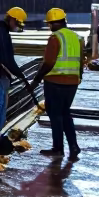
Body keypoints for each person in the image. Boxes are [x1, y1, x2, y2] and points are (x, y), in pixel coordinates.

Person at [30, 8, 85, 160]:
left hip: (55, 82)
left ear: (55, 23)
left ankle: (58, 148)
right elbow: (81, 61)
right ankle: (73, 146)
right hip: (72, 83)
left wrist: (36, 79)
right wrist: (78, 77)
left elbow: (49, 62)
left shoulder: (55, 37)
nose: (49, 27)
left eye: (50, 24)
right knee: (66, 113)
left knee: (55, 116)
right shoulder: (76, 37)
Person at [0, 7, 26, 149]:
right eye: (17, 24)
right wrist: (18, 73)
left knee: (1, 103)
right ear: (12, 19)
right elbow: (5, 58)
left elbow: (6, 58)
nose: (17, 27)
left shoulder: (1, 32)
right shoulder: (1, 33)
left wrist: (16, 73)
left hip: (2, 74)